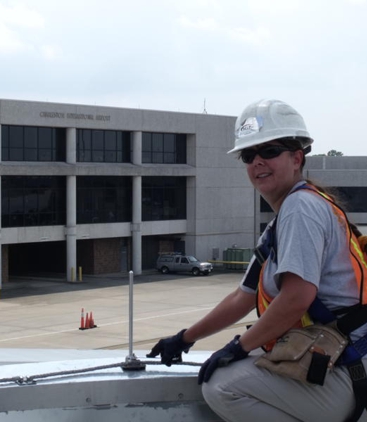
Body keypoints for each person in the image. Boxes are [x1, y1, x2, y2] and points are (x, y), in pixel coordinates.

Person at [147, 99, 367, 422]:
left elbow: (296, 297)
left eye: (270, 151)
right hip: (337, 361)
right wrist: (185, 338)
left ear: (297, 157)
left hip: (345, 370)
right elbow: (243, 296)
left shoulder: (300, 209)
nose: (257, 162)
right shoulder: (282, 222)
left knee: (222, 386)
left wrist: (239, 345)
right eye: (249, 156)